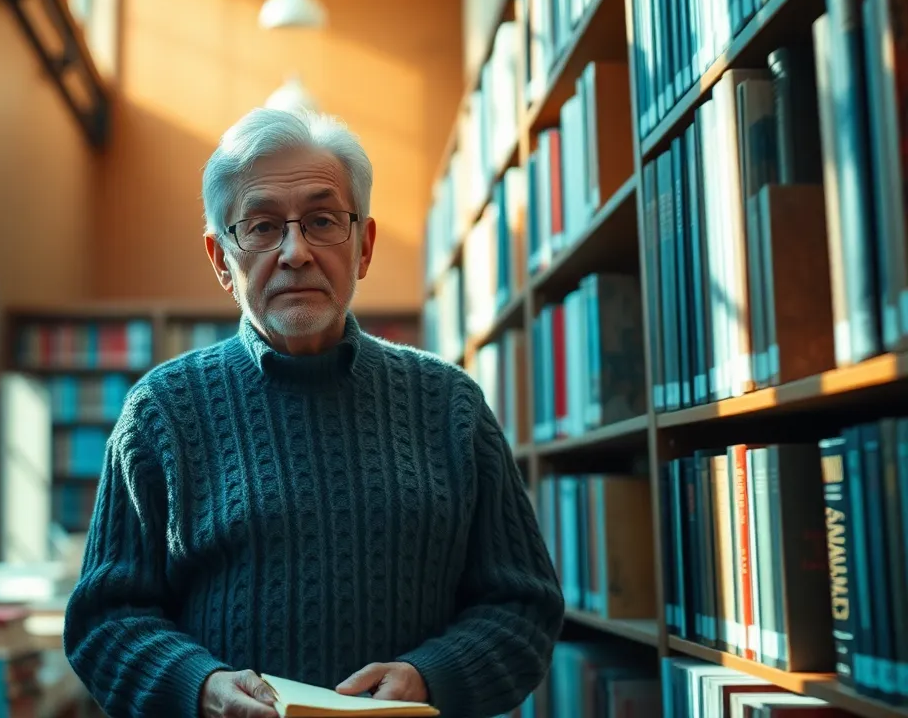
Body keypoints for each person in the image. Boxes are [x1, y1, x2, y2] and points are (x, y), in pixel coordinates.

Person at [62, 108, 564, 718]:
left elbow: (524, 604)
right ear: (221, 259)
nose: (296, 252)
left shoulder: (451, 406)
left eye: (323, 220)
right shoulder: (161, 415)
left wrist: (429, 677)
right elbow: (104, 620)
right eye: (263, 226)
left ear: (364, 245)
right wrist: (200, 687)